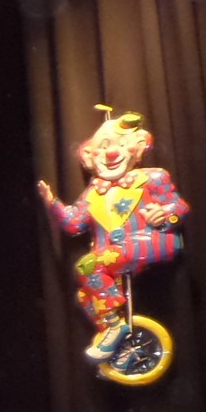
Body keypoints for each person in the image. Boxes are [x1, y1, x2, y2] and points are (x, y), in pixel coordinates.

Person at [36, 106, 188, 363]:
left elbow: (178, 207)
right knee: (86, 296)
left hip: (151, 242)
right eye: (103, 148)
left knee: (88, 266)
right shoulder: (93, 191)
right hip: (115, 254)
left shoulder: (152, 177)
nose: (112, 153)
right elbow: (73, 224)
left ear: (135, 150)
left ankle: (115, 328)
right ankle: (118, 341)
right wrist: (52, 203)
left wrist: (164, 214)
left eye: (119, 145)